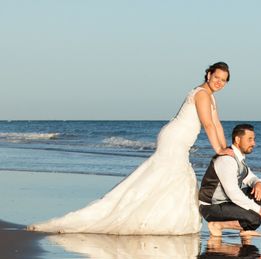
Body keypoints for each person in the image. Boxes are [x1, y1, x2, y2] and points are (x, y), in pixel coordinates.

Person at [27, 62, 233, 235]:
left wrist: (224, 148)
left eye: (223, 80)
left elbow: (217, 124)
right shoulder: (202, 94)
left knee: (167, 179)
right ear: (208, 74)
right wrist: (219, 151)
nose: (219, 82)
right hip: (175, 139)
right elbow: (207, 124)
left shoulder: (209, 96)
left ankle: (153, 216)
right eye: (217, 77)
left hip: (177, 140)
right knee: (167, 177)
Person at [199, 123, 261, 238]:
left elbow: (250, 177)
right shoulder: (227, 159)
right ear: (237, 139)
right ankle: (217, 225)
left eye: (254, 139)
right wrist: (258, 210)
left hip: (225, 202)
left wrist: (258, 183)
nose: (254, 143)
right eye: (250, 139)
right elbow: (233, 193)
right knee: (255, 219)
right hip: (211, 207)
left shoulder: (239, 158)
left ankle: (245, 228)